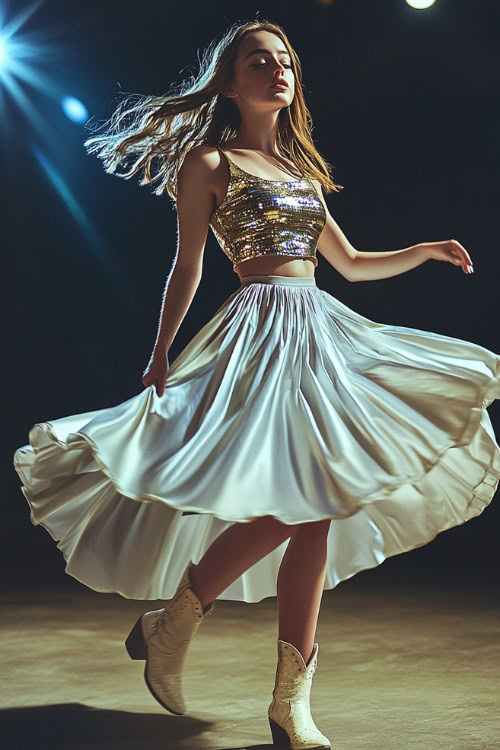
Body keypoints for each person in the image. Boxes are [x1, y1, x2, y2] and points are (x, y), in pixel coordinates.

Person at [13, 18, 499, 750]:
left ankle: (272, 690)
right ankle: (197, 631)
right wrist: (160, 353)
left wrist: (423, 249)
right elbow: (188, 268)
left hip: (318, 332)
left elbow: (354, 263)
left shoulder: (302, 172)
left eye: (285, 62)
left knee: (320, 504)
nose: (277, 71)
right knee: (309, 503)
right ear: (231, 81)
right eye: (258, 60)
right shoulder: (209, 164)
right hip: (257, 334)